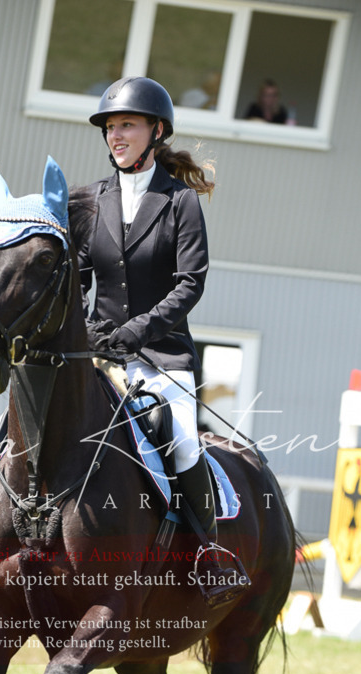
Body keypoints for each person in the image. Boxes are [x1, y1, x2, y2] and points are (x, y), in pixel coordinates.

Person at [79, 75, 250, 607]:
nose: (116, 135)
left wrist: (135, 331)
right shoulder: (90, 200)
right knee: (25, 422)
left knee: (179, 439)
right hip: (96, 354)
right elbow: (76, 276)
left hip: (160, 355)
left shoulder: (180, 202)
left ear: (156, 131)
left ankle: (207, 554)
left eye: (127, 125)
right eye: (110, 126)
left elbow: (189, 284)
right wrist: (85, 329)